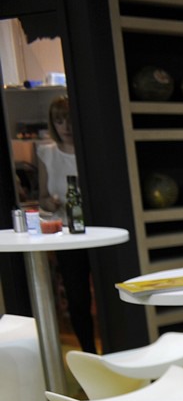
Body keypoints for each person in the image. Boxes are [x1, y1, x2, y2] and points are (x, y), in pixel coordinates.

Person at [36, 95, 96, 353]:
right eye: (59, 121)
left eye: (69, 120)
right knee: (77, 297)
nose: (66, 127)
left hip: (98, 230)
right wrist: (50, 204)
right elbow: (42, 197)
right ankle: (89, 352)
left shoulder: (92, 150)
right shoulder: (47, 153)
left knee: (108, 291)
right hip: (68, 234)